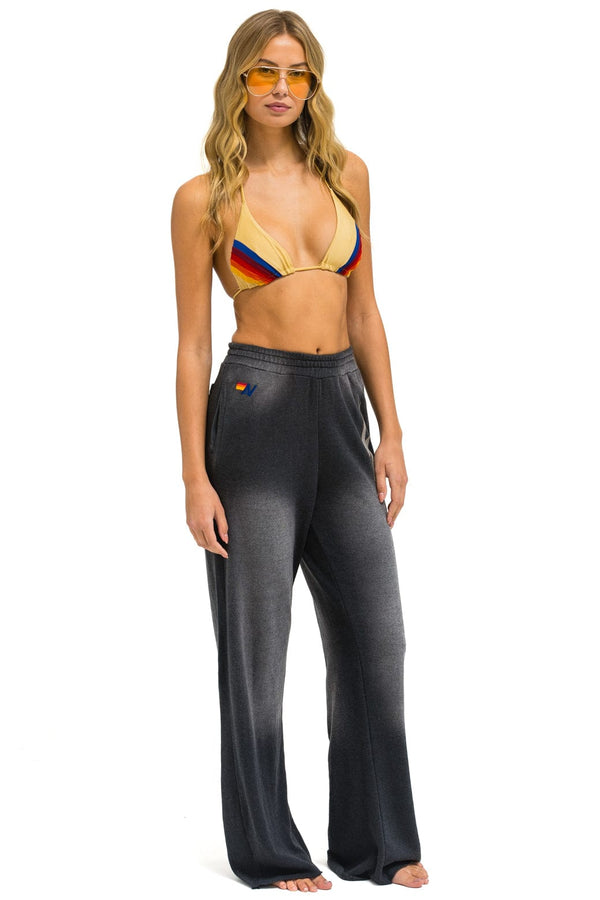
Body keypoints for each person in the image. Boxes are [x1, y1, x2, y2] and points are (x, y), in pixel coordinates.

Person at [170, 9, 429, 892]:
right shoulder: (204, 198)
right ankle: (271, 851)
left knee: (377, 637)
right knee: (257, 646)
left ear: (313, 83)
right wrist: (194, 474)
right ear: (238, 81)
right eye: (264, 72)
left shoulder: (348, 175)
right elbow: (192, 346)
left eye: (296, 73)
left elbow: (366, 312)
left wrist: (391, 429)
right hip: (253, 414)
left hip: (342, 409)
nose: (281, 88)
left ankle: (376, 842)